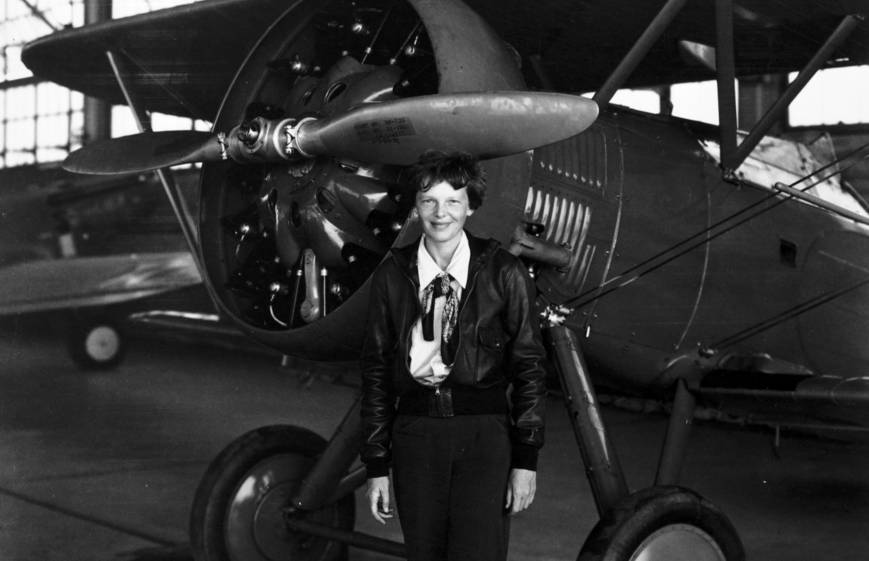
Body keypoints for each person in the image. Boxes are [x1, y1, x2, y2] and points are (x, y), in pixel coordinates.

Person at [360, 151, 547, 561]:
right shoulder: (392, 274)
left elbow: (530, 367)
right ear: (415, 206)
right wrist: (377, 465)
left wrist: (526, 458)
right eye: (428, 201)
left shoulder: (504, 272)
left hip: (483, 436)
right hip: (415, 435)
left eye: (452, 201)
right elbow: (376, 372)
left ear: (472, 206)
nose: (439, 213)